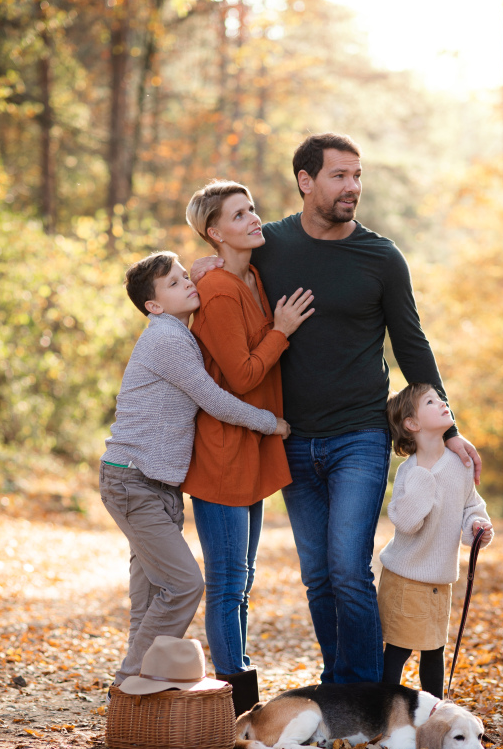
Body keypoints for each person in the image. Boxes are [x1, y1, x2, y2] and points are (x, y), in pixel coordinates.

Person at [190, 132, 481, 686]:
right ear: (306, 181)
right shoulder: (270, 244)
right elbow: (224, 265)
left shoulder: (381, 257)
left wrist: (448, 431)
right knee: (318, 576)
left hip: (359, 435)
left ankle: (370, 691)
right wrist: (203, 269)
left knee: (349, 568)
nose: (353, 187)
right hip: (292, 437)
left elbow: (412, 346)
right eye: (339, 176)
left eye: (357, 176)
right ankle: (337, 683)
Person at [100, 250, 290, 694]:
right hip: (131, 481)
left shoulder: (177, 331)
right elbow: (215, 399)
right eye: (174, 282)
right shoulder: (166, 338)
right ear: (154, 305)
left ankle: (133, 703)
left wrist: (202, 268)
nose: (187, 283)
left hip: (159, 487)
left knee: (148, 598)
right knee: (184, 585)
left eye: (186, 276)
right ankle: (128, 685)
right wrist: (270, 423)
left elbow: (194, 276)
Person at [182, 180, 314, 715]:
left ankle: (236, 692)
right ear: (215, 232)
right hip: (222, 450)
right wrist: (281, 330)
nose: (254, 219)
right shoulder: (216, 291)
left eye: (253, 209)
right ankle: (231, 700)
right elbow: (239, 376)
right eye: (239, 215)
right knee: (228, 580)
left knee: (244, 578)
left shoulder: (250, 275)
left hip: (251, 444)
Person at [378, 383, 494, 698]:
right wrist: (422, 478)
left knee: (434, 652)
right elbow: (406, 522)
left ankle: (436, 714)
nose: (443, 402)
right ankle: (385, 712)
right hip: (405, 579)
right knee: (398, 651)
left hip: (439, 582)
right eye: (431, 401)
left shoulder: (460, 465)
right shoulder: (409, 471)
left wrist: (477, 525)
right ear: (412, 424)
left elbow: (472, 506)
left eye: (441, 398)